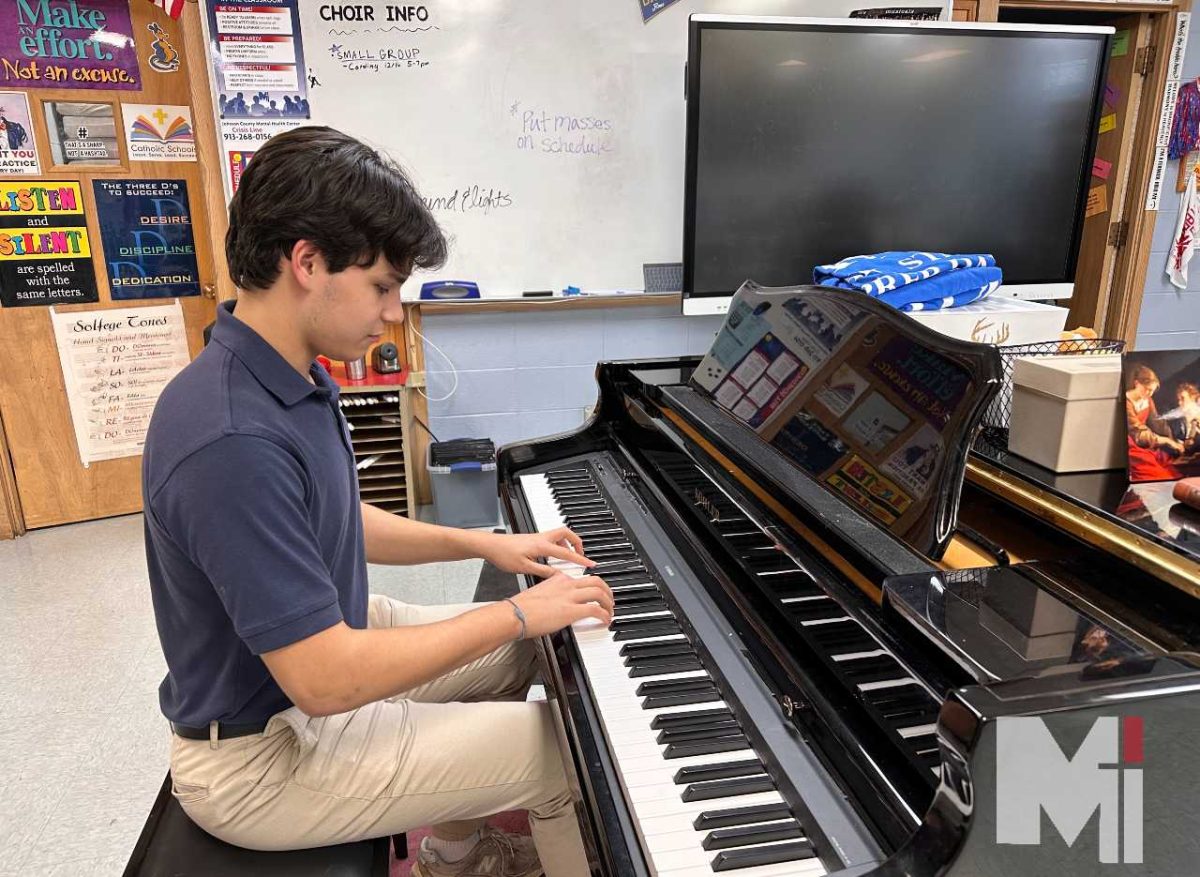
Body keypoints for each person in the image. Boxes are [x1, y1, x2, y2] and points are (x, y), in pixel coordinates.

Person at [142, 126, 611, 877]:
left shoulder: (286, 371)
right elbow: (326, 680)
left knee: (528, 650)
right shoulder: (230, 437)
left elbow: (334, 518)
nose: (393, 314)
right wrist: (517, 606)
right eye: (384, 287)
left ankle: (456, 855)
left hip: (320, 648)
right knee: (566, 751)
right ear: (307, 261)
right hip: (264, 753)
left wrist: (485, 546)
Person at [1125, 364, 1183, 481]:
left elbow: (1157, 423)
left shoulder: (1148, 400)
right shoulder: (1126, 402)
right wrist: (1167, 441)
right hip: (1133, 443)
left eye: (1152, 391)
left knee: (1173, 471)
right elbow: (1139, 434)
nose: (1149, 394)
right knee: (1157, 475)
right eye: (1147, 389)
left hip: (1147, 441)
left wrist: (1173, 440)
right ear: (1137, 383)